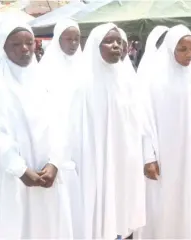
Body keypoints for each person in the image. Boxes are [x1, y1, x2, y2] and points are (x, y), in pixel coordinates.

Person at [57, 23, 146, 239]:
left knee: (121, 216)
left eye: (119, 42)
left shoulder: (125, 81)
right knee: (96, 217)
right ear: (96, 45)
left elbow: (136, 123)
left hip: (122, 161)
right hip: (93, 162)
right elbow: (71, 129)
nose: (116, 45)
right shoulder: (82, 83)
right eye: (109, 41)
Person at [0, 21, 73, 238]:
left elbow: (62, 124)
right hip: (12, 176)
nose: (24, 49)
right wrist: (19, 169)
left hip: (48, 174)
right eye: (16, 44)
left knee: (49, 227)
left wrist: (55, 163)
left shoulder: (45, 80)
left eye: (29, 43)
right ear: (3, 47)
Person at [139, 24, 191, 239]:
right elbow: (145, 121)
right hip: (164, 156)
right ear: (170, 49)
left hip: (190, 155)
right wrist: (149, 156)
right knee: (163, 205)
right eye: (182, 49)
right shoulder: (155, 79)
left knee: (187, 202)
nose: (189, 54)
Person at [37, 18, 84, 238]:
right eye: (68, 38)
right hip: (59, 141)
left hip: (83, 136)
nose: (73, 43)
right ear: (58, 40)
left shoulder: (84, 66)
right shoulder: (45, 69)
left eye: (77, 39)